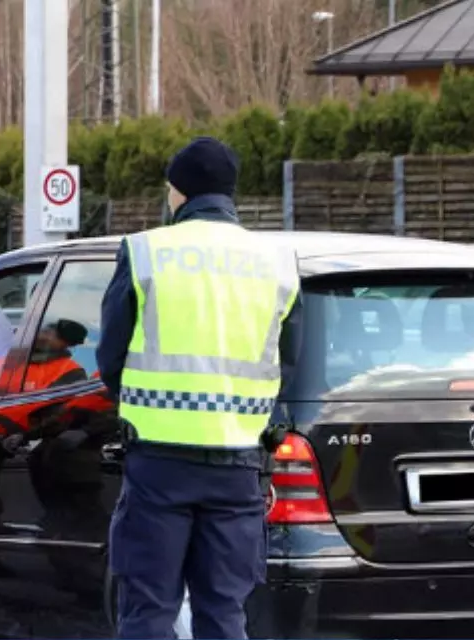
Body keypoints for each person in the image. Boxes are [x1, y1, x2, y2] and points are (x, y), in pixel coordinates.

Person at [96, 136, 305, 640]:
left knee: (148, 609)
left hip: (159, 466)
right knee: (224, 612)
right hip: (237, 467)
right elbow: (287, 364)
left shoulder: (146, 251)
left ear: (180, 193)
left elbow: (110, 359)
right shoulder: (277, 262)